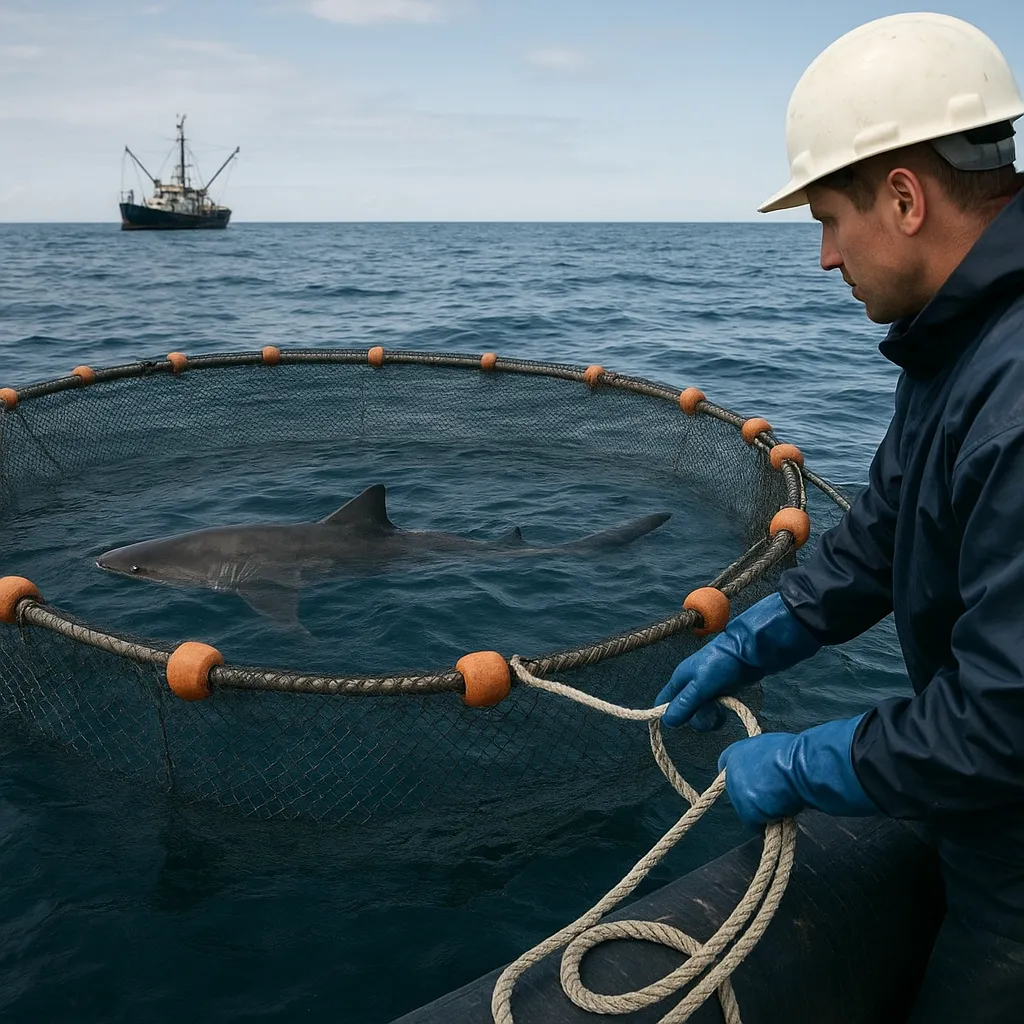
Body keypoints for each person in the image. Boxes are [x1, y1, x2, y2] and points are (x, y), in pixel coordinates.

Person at [655, 12, 1024, 1021]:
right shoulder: (960, 342)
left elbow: (1004, 721)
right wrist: (757, 639)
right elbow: (882, 534)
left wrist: (809, 761)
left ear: (903, 198)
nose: (823, 257)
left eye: (828, 218)